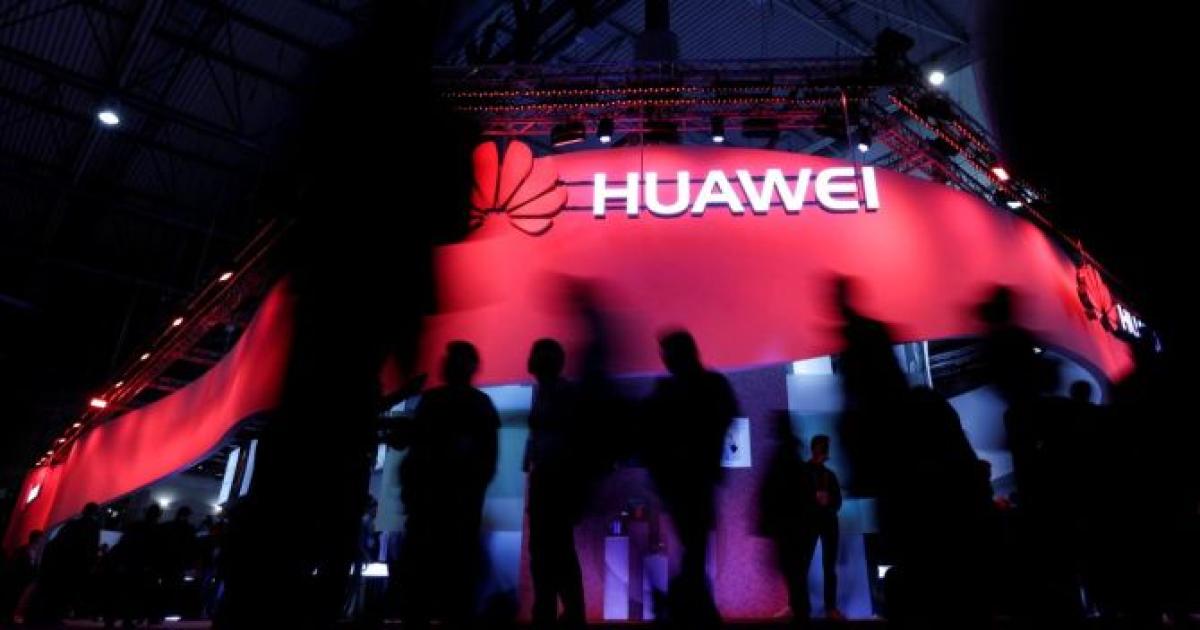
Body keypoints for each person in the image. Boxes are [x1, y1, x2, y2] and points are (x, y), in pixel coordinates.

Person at [396, 341, 500, 628]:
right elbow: (487, 462)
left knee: (423, 585)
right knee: (455, 586)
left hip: (433, 507)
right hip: (455, 509)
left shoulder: (435, 402)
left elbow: (416, 452)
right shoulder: (479, 405)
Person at [642, 329, 738, 628]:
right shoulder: (712, 385)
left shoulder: (671, 390)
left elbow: (649, 432)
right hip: (694, 480)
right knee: (695, 548)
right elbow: (726, 416)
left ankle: (686, 606)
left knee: (693, 548)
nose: (665, 360)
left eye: (667, 354)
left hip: (683, 482)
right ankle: (693, 607)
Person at [523, 338, 587, 629]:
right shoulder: (551, 392)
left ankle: (557, 611)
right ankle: (562, 611)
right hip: (552, 478)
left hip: (555, 479)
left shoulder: (559, 393)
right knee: (553, 549)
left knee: (550, 550)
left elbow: (570, 439)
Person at [26, 502, 101, 624]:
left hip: (60, 561)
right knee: (64, 592)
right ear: (95, 513)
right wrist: (90, 564)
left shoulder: (72, 524)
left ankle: (43, 615)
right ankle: (54, 616)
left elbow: (58, 540)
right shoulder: (93, 526)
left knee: (53, 590)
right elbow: (91, 547)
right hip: (74, 564)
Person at [802, 435, 844, 621]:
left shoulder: (830, 475)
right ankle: (799, 607)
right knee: (802, 566)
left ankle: (830, 608)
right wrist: (813, 499)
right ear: (815, 449)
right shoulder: (802, 473)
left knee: (829, 567)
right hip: (808, 524)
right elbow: (795, 500)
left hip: (829, 523)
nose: (824, 452)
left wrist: (829, 501)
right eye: (822, 447)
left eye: (825, 448)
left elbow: (838, 502)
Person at [158, 506, 198, 619]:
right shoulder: (189, 529)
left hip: (166, 561)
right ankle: (167, 610)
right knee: (174, 587)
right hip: (178, 562)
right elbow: (191, 547)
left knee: (164, 586)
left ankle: (159, 610)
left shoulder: (167, 526)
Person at [1, 529, 43, 624]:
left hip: (22, 581)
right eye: (41, 539)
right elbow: (19, 566)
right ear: (37, 540)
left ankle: (9, 617)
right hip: (18, 581)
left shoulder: (29, 551)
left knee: (15, 600)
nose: (41, 542)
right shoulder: (25, 551)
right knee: (13, 599)